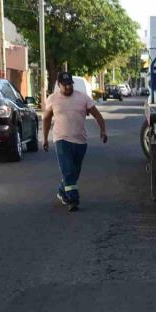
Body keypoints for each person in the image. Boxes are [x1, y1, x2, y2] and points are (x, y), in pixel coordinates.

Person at [42, 72, 108, 212]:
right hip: (61, 139)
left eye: (70, 84)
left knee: (73, 173)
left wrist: (103, 130)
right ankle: (73, 199)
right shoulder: (52, 99)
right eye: (64, 85)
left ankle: (62, 191)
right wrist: (45, 138)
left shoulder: (83, 98)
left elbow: (97, 114)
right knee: (69, 170)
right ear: (59, 85)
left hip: (80, 141)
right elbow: (46, 119)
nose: (68, 87)